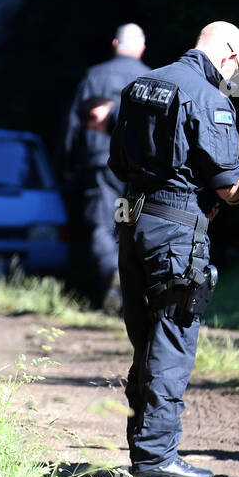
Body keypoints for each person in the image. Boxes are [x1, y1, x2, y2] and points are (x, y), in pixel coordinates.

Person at [109, 21, 239, 477]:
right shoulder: (209, 99)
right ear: (229, 55)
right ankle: (157, 457)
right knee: (172, 338)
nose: (232, 78)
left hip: (129, 220)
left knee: (145, 337)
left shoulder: (138, 85)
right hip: (174, 231)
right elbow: (228, 186)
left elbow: (116, 163)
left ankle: (143, 447)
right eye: (237, 69)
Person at [62, 24, 150, 312]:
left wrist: (69, 162)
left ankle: (115, 278)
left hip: (100, 163)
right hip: (141, 167)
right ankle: (135, 294)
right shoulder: (151, 78)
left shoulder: (95, 75)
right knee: (133, 225)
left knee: (103, 225)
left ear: (115, 43)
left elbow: (74, 123)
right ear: (141, 48)